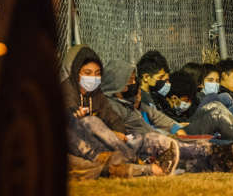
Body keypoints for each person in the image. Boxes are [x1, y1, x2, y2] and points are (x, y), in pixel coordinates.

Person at [100, 60, 233, 173]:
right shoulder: (112, 105)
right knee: (216, 110)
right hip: (151, 145)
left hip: (167, 137)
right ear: (117, 82)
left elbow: (159, 118)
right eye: (129, 80)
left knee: (222, 115)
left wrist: (175, 128)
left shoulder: (132, 102)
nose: (133, 84)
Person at [61, 46, 179, 178]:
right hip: (79, 148)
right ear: (76, 72)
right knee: (91, 126)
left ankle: (145, 165)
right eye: (87, 73)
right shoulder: (66, 91)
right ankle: (141, 166)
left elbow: (114, 119)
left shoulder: (97, 94)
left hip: (105, 148)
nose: (93, 78)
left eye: (97, 73)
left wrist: (118, 133)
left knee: (137, 141)